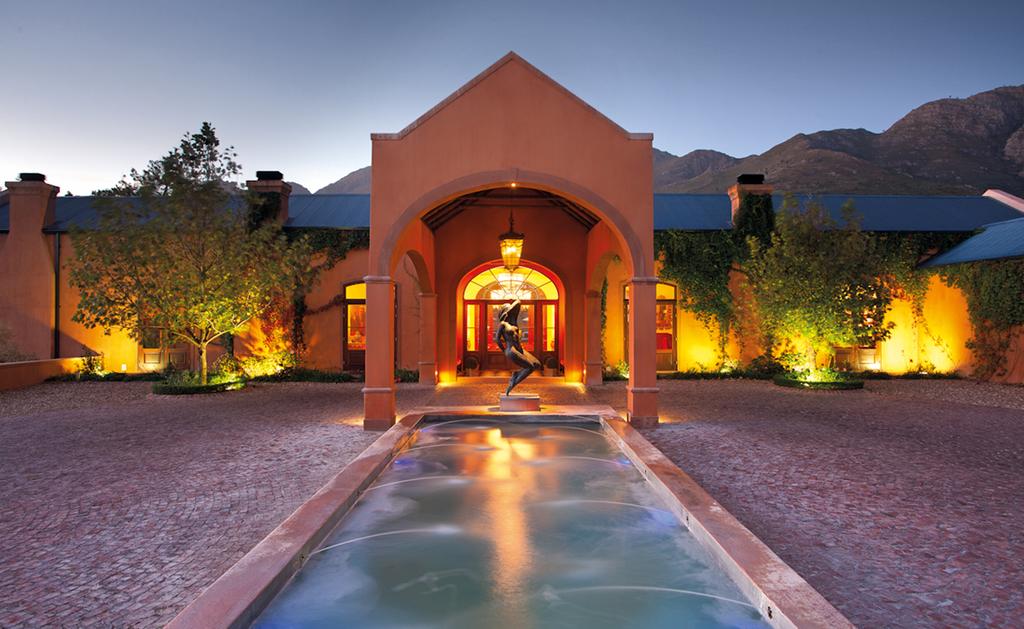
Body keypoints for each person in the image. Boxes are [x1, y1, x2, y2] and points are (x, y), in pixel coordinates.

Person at [494, 299, 541, 395]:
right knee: (530, 367)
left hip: (520, 349)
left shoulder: (514, 324)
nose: (511, 314)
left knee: (537, 364)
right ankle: (512, 384)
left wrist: (521, 350)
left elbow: (518, 302)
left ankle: (516, 374)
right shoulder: (503, 324)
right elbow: (497, 339)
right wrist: (504, 351)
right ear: (505, 313)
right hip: (511, 350)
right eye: (509, 311)